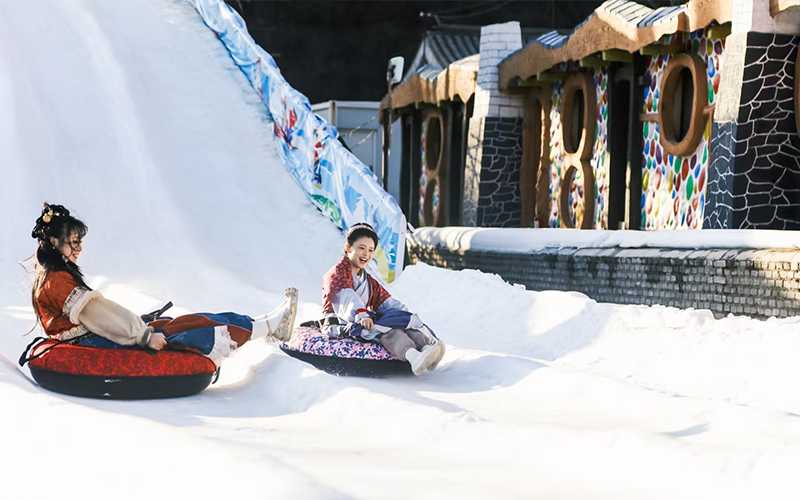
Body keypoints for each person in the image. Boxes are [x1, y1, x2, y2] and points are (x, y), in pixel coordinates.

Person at [29, 203, 297, 365]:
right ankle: (269, 326)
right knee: (181, 332)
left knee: (180, 320)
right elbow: (97, 313)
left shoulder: (54, 276)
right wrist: (143, 334)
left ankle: (264, 322)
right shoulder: (56, 281)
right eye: (74, 242)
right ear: (54, 242)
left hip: (93, 338)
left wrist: (140, 325)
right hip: (92, 345)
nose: (79, 248)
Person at [321, 222, 445, 375]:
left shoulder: (367, 279)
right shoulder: (335, 275)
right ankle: (412, 356)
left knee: (397, 321)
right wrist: (360, 313)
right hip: (343, 323)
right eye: (361, 248)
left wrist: (403, 313)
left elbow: (383, 299)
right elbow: (347, 296)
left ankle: (426, 349)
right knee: (385, 330)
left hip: (363, 317)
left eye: (370, 250)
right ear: (348, 248)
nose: (366, 254)